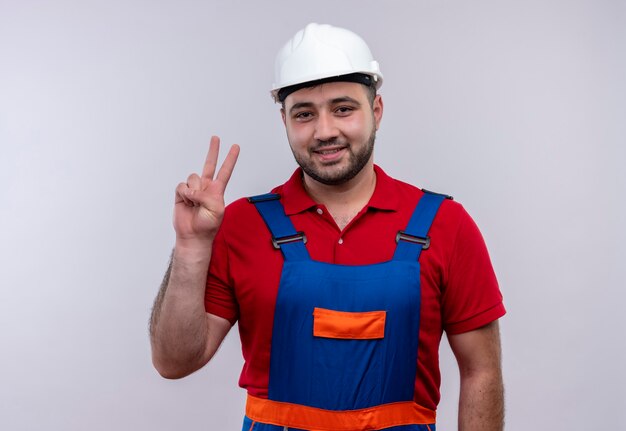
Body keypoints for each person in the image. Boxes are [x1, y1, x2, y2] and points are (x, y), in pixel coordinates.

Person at [150, 23, 505, 431]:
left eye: (343, 108)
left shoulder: (446, 225)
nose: (325, 131)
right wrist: (191, 246)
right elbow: (174, 361)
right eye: (304, 114)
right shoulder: (243, 225)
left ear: (376, 111)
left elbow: (482, 373)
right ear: (284, 120)